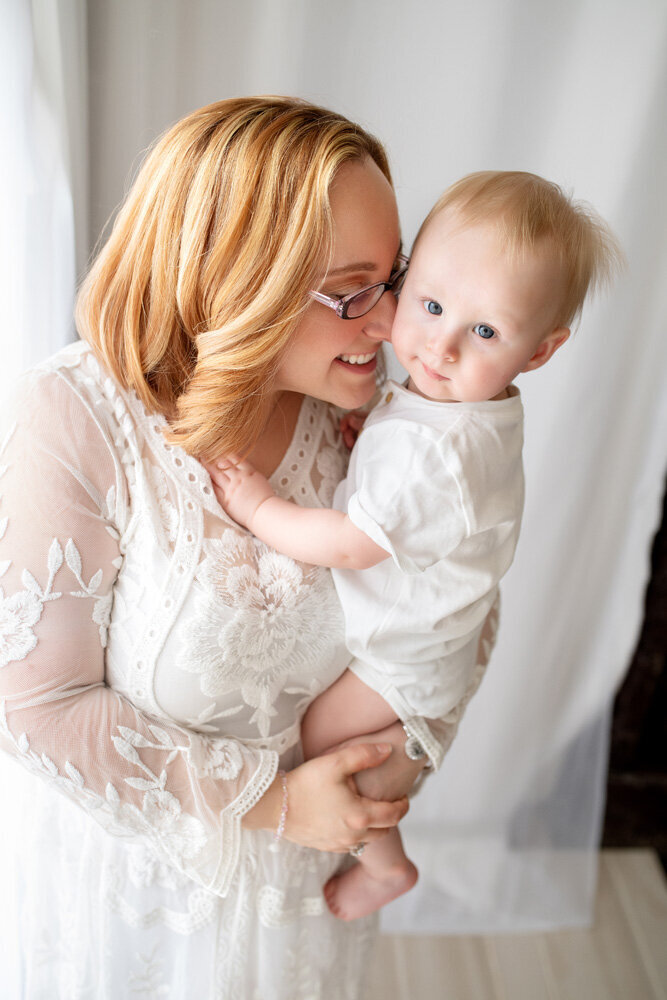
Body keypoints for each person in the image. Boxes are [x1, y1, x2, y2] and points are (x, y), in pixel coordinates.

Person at [0, 96, 462, 1000]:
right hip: (135, 903)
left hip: (306, 896)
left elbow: (455, 607)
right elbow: (35, 703)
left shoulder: (376, 423)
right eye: (350, 289)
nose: (390, 322)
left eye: (394, 275)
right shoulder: (76, 418)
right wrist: (278, 803)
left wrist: (388, 767)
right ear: (235, 281)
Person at [208, 170, 623, 921]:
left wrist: (257, 505)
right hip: (436, 627)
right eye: (429, 305)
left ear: (541, 350)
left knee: (329, 738)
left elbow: (351, 543)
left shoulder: (434, 453)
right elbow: (420, 471)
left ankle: (385, 865)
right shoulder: (467, 405)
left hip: (405, 654)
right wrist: (371, 441)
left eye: (485, 332)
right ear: (409, 277)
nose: (439, 345)